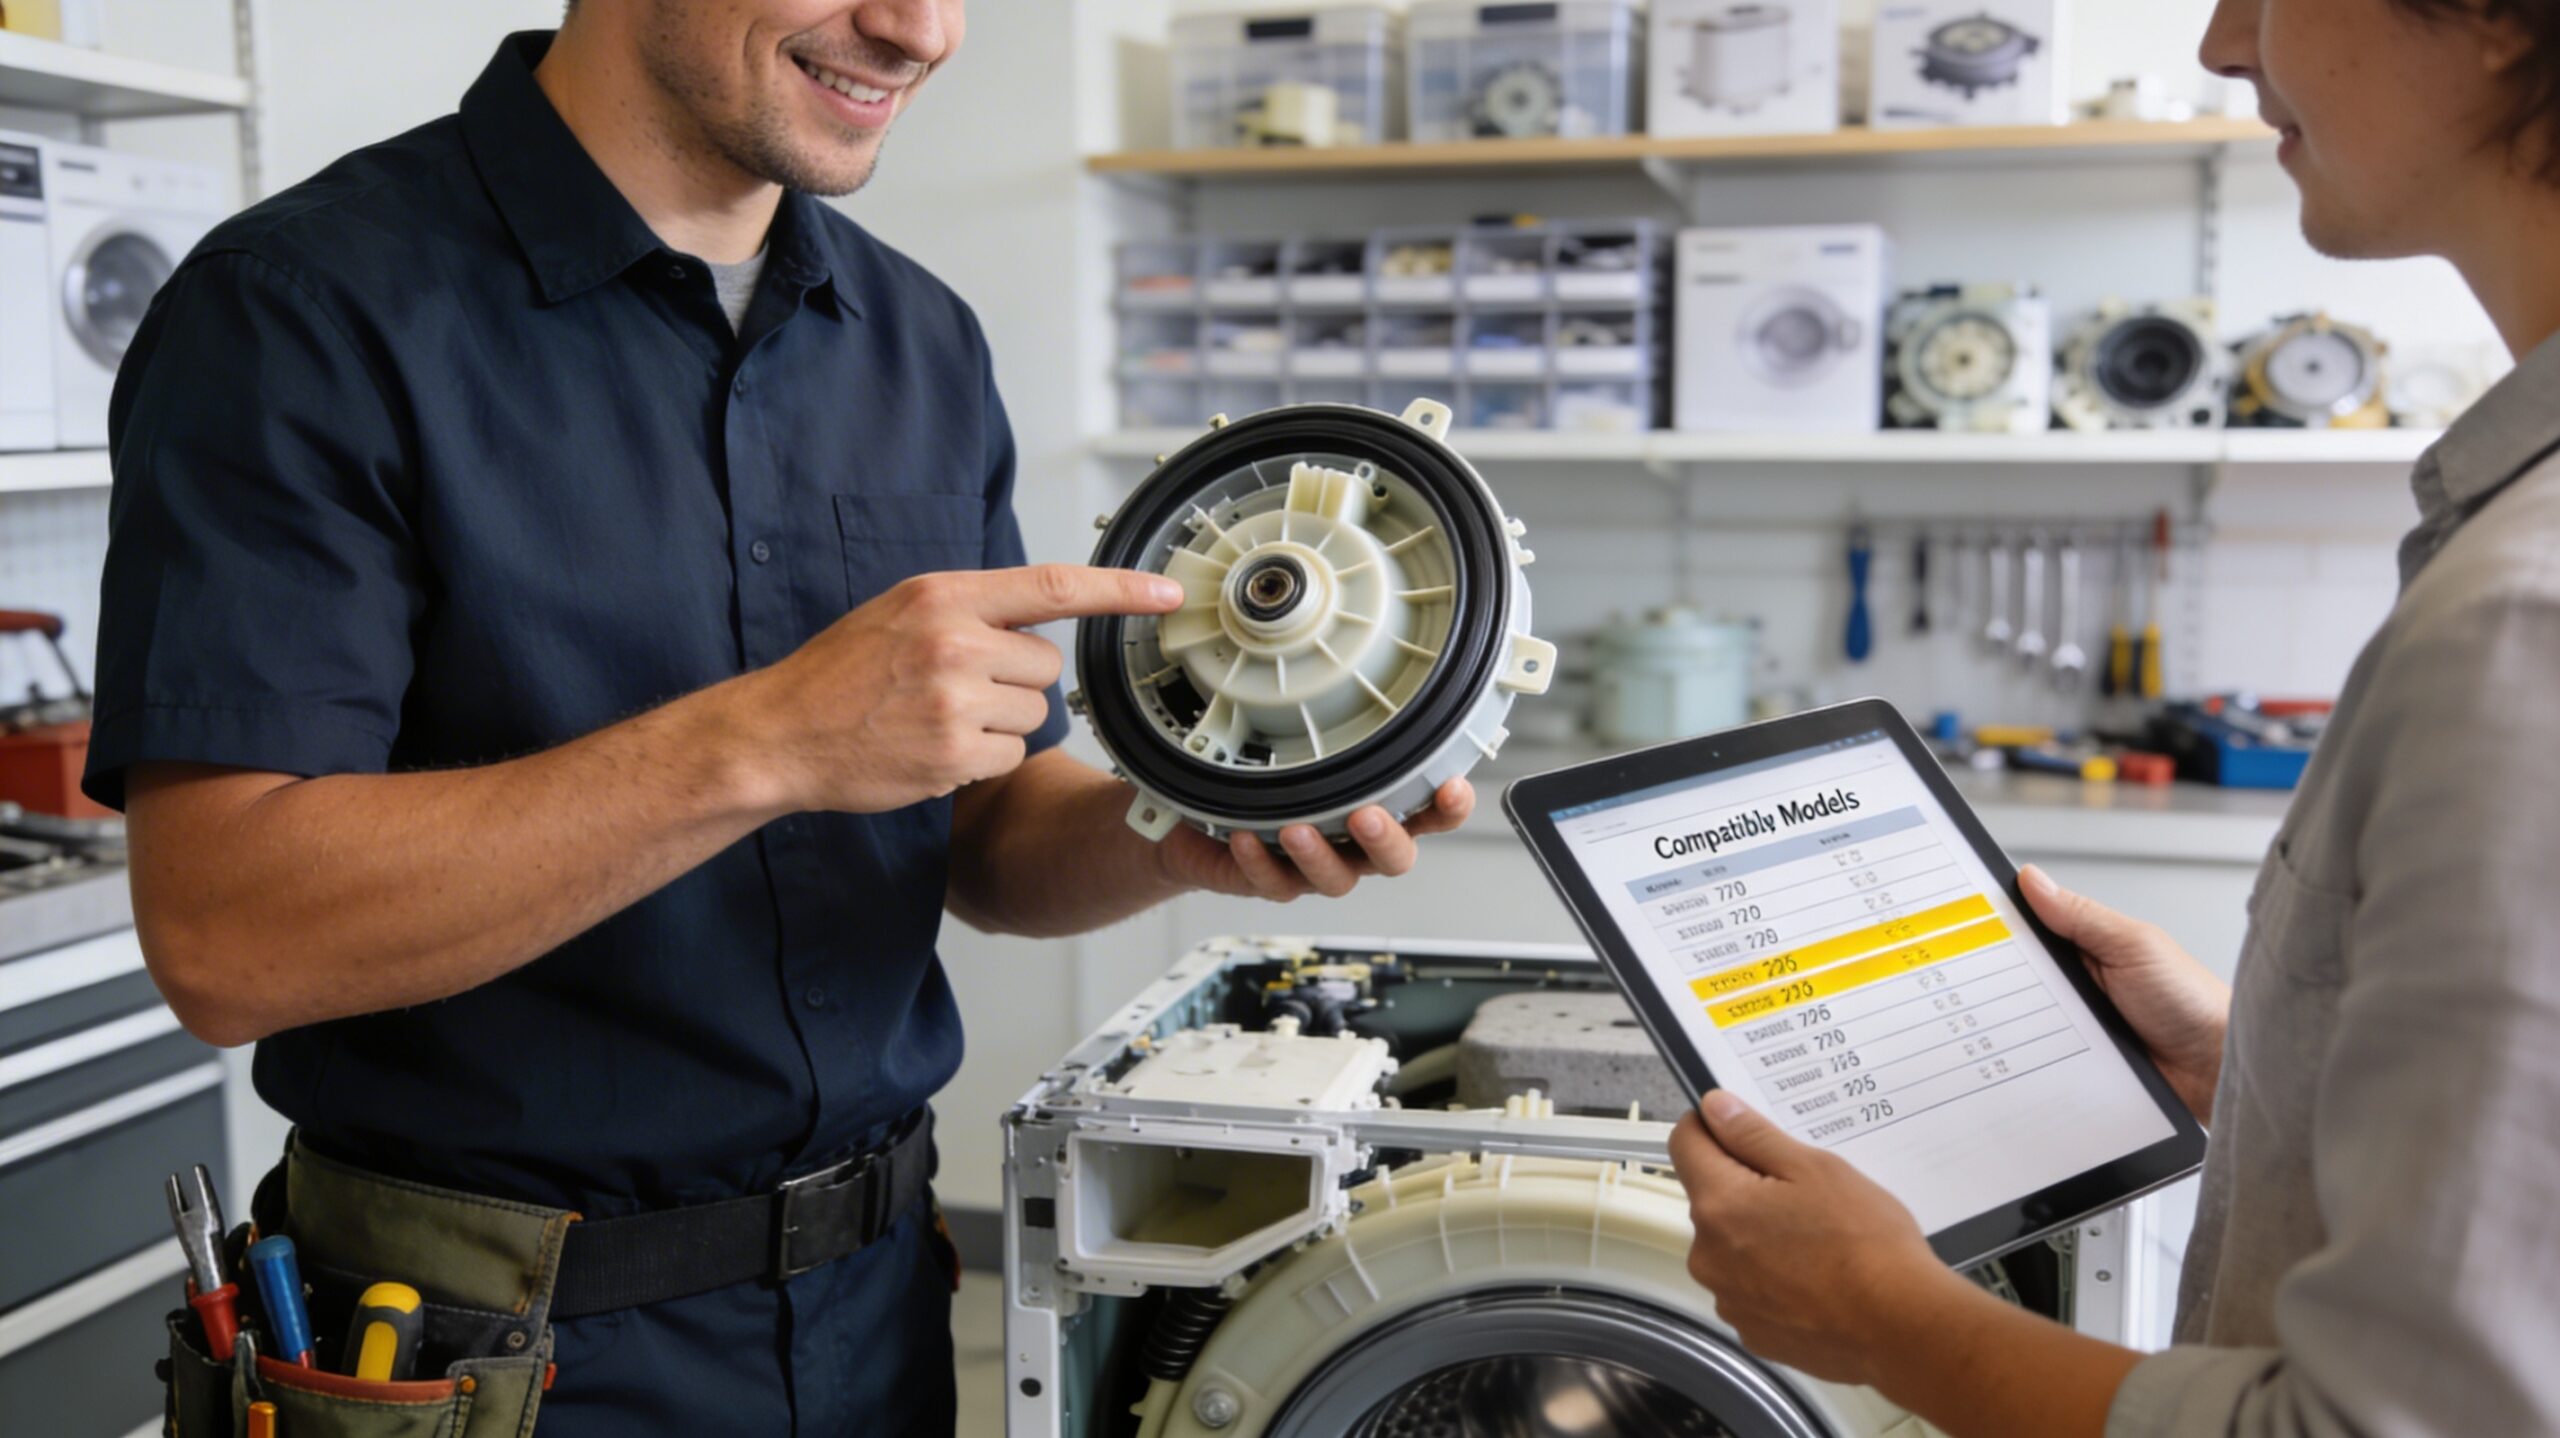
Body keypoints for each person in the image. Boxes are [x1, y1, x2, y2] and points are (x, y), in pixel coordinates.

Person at [89, 3, 1469, 1432]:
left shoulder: (921, 339)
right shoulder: (299, 307)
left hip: (878, 1312)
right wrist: (767, 740)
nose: (918, 31)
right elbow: (228, 934)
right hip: (477, 1357)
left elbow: (981, 834)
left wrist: (1183, 825)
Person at [1668, 0, 2560, 1433]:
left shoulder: (2527, 618)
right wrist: (2254, 1060)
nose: (2221, 40)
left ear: (2502, 21)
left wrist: (1888, 1315)